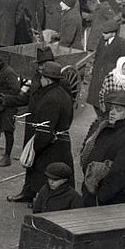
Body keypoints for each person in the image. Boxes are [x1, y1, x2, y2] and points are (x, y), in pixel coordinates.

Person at [8, 61, 74, 204]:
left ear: (47, 80)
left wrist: (35, 146)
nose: (41, 80)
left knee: (46, 173)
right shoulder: (64, 94)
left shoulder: (50, 99)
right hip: (61, 142)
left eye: (42, 78)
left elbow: (45, 131)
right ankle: (34, 195)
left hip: (50, 145)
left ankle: (42, 200)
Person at [79, 90, 125, 207]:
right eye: (112, 108)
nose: (112, 112)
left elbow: (121, 174)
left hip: (104, 201)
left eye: (118, 110)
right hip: (90, 190)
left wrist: (101, 197)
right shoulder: (105, 129)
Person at [85, 20, 125, 111]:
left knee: (106, 100)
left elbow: (124, 62)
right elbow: (98, 55)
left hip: (109, 75)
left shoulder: (122, 44)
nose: (103, 34)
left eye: (105, 33)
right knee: (95, 99)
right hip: (97, 73)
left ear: (113, 33)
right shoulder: (102, 40)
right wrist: (93, 67)